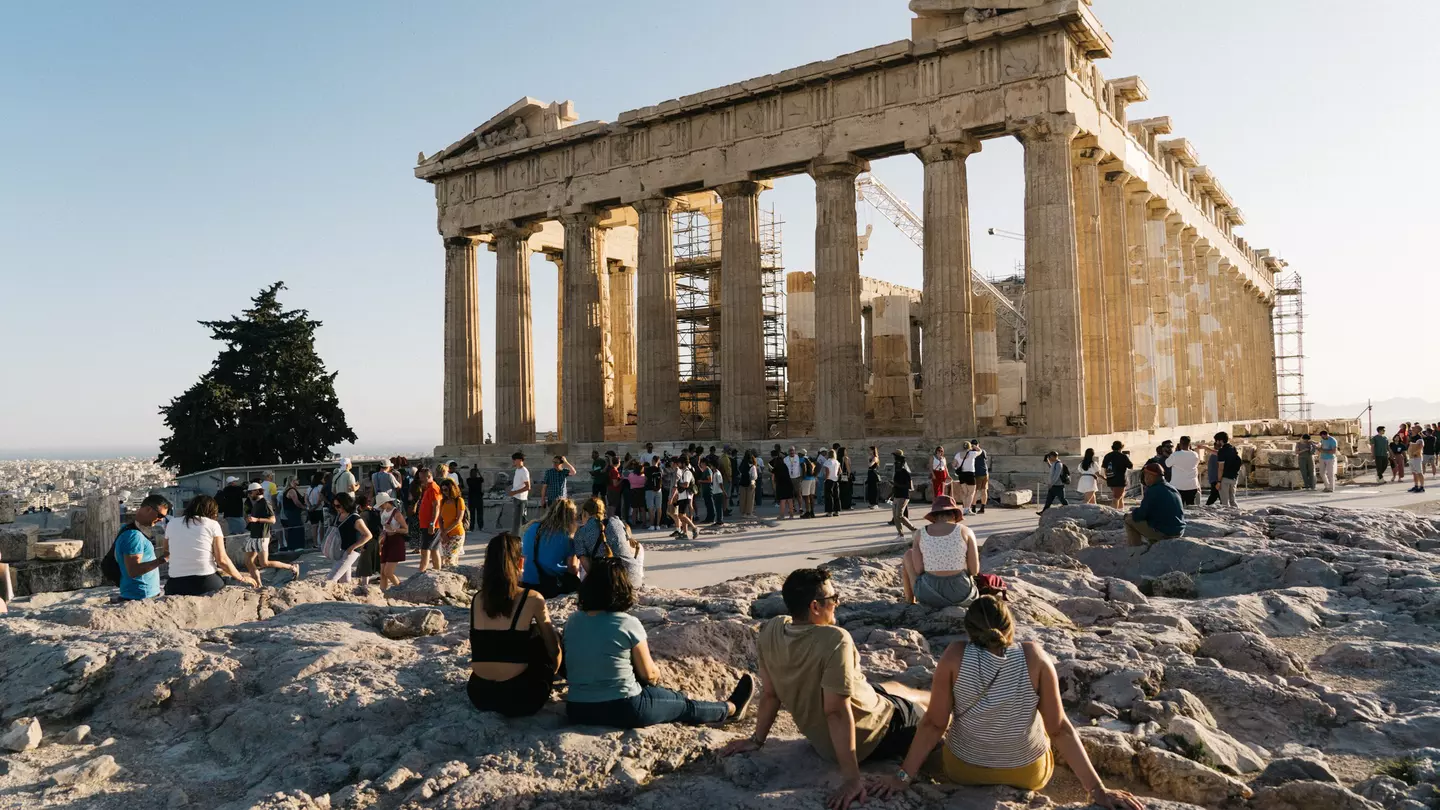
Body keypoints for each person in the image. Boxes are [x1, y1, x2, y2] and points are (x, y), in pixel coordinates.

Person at [871, 597, 1142, 810]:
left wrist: (902, 778)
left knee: (934, 721)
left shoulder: (954, 655)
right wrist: (1097, 790)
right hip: (1028, 775)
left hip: (965, 771)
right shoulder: (1033, 656)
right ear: (1010, 626)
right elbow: (1059, 728)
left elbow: (934, 724)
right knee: (1041, 729)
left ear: (969, 631)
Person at [718, 568, 926, 810]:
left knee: (893, 687)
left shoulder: (772, 629)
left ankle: (929, 695)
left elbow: (771, 693)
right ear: (815, 607)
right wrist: (851, 779)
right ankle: (940, 699)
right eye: (833, 599)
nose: (837, 603)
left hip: (827, 740)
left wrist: (757, 740)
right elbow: (836, 712)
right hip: (874, 735)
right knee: (928, 714)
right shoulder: (835, 639)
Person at [566, 557, 753, 729]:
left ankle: (674, 698)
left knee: (669, 698)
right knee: (684, 706)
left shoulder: (573, 621)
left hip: (577, 710)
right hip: (624, 708)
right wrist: (658, 677)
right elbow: (649, 675)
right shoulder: (626, 623)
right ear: (622, 589)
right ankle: (730, 708)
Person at [468, 532, 563, 717]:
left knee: (528, 633)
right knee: (545, 634)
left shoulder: (477, 599)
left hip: (479, 694)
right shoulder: (532, 598)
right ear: (520, 562)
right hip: (519, 697)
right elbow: (554, 650)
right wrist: (553, 670)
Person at [164, 494, 256, 595]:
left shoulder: (172, 523)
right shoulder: (212, 524)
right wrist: (241, 578)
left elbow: (166, 551)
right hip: (205, 581)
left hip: (176, 583)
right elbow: (221, 559)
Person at [901, 496, 979, 609]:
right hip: (961, 594)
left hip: (929, 594)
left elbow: (919, 570)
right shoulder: (966, 531)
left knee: (908, 554)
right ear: (954, 515)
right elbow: (974, 570)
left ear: (934, 516)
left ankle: (909, 601)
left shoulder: (920, 533)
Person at [574, 498, 644, 589]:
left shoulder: (581, 532)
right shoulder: (617, 521)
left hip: (609, 585)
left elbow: (588, 567)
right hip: (632, 580)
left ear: (585, 513)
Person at [114, 494, 172, 601]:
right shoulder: (133, 535)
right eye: (160, 515)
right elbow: (133, 570)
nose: (160, 519)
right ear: (148, 509)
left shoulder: (130, 531)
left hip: (141, 594)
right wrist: (164, 558)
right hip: (140, 597)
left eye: (163, 517)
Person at [520, 498, 580, 598]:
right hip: (546, 584)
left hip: (526, 580)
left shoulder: (532, 527)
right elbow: (573, 568)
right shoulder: (566, 537)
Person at [244, 482, 298, 586]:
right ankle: (258, 585)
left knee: (264, 563)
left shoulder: (265, 503)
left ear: (256, 491)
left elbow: (272, 520)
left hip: (262, 536)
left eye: (251, 492)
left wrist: (257, 519)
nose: (250, 495)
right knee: (248, 561)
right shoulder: (257, 503)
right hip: (254, 536)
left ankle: (292, 567)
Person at [1126, 462, 1186, 546]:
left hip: (1166, 533)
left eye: (1145, 476)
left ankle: (1135, 549)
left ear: (1150, 476)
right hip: (1179, 530)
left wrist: (1133, 513)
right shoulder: (1172, 487)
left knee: (1128, 520)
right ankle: (1152, 542)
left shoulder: (1152, 491)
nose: (1145, 479)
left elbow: (1141, 515)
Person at [326, 492, 372, 585]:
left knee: (330, 579)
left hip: (350, 552)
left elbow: (368, 535)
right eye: (334, 506)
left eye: (338, 506)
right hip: (340, 550)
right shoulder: (338, 515)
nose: (336, 508)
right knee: (345, 582)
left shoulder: (355, 518)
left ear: (345, 504)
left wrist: (353, 547)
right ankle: (347, 598)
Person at [376, 492, 408, 590]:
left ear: (386, 502)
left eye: (381, 504)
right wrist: (382, 534)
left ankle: (401, 589)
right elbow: (384, 527)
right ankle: (383, 593)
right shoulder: (383, 512)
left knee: (388, 572)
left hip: (396, 541)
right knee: (382, 573)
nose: (380, 507)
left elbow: (406, 529)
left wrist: (394, 529)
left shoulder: (397, 513)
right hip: (386, 541)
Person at [415, 467, 444, 574]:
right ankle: (438, 572)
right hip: (428, 524)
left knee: (425, 550)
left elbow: (436, 506)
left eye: (422, 478)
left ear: (429, 476)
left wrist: (432, 523)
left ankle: (420, 573)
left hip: (430, 525)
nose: (420, 480)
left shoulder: (433, 489)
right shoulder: (428, 488)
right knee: (433, 550)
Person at [439, 478, 468, 569]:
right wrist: (443, 533)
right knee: (446, 559)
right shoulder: (442, 501)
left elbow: (458, 520)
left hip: (456, 534)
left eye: (446, 490)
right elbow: (440, 519)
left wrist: (445, 532)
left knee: (450, 559)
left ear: (452, 489)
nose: (444, 492)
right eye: (442, 490)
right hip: (445, 534)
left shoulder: (459, 501)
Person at [1166, 436, 1201, 506]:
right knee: (1191, 506)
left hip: (1178, 486)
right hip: (1192, 485)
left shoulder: (1175, 455)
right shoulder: (1195, 454)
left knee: (1178, 506)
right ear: (1189, 444)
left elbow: (1167, 464)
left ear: (1180, 444)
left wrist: (1175, 452)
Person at [889, 451, 918, 536]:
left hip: (903, 496)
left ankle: (913, 529)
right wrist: (890, 495)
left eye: (897, 462)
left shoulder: (905, 473)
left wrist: (895, 484)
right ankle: (900, 534)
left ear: (901, 463)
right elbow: (895, 486)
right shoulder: (897, 473)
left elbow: (908, 486)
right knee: (896, 517)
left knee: (899, 515)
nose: (896, 464)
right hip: (896, 496)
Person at [670, 458, 699, 540]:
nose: (678, 465)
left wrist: (678, 484)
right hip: (682, 496)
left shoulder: (687, 472)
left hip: (685, 496)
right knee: (682, 515)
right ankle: (685, 533)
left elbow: (686, 484)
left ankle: (694, 528)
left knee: (681, 515)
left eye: (679, 463)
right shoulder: (683, 472)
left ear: (683, 463)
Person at [1102, 441, 1133, 510]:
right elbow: (1130, 466)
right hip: (1120, 480)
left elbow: (1104, 467)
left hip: (1110, 479)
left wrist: (1107, 477)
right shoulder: (1123, 456)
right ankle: (1113, 513)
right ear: (1121, 447)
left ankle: (1121, 511)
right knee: (1116, 497)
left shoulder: (1107, 455)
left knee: (1120, 497)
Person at [1214, 432, 1241, 507]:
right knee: (1232, 501)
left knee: (1224, 503)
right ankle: (1237, 515)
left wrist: (1218, 482)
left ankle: (1227, 518)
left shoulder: (1222, 451)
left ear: (1220, 441)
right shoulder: (1233, 448)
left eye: (1217, 441)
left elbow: (1220, 468)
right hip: (1234, 478)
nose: (1216, 443)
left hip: (1225, 479)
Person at [507, 452, 532, 535]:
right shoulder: (517, 470)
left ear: (520, 460)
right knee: (516, 520)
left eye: (515, 459)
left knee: (522, 519)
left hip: (522, 499)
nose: (513, 461)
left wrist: (514, 492)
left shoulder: (524, 471)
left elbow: (528, 487)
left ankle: (527, 535)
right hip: (516, 498)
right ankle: (515, 536)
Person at [281, 477, 306, 551]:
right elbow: (296, 502)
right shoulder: (291, 490)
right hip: (292, 511)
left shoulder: (292, 490)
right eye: (296, 479)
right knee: (297, 528)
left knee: (293, 528)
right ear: (292, 481)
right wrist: (304, 507)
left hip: (292, 512)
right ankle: (296, 546)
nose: (298, 481)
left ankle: (293, 546)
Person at [772, 449, 796, 520]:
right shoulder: (785, 466)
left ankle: (782, 515)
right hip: (788, 483)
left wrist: (774, 485)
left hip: (781, 484)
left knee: (782, 500)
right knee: (790, 500)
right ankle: (791, 515)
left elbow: (773, 477)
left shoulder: (776, 468)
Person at [305, 473, 326, 547]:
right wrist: (316, 506)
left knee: (314, 526)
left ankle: (315, 543)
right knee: (321, 526)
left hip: (310, 510)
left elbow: (306, 498)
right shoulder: (321, 487)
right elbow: (320, 498)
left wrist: (310, 506)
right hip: (319, 508)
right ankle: (322, 542)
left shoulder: (309, 488)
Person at [821, 450, 842, 518]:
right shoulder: (837, 462)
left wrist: (825, 479)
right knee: (836, 496)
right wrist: (837, 476)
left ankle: (829, 512)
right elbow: (840, 471)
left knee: (829, 496)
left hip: (829, 480)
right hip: (835, 480)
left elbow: (827, 471)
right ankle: (837, 511)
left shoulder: (827, 462)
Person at [737, 450, 758, 518]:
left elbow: (740, 472)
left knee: (743, 499)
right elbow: (754, 476)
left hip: (742, 483)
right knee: (750, 499)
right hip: (750, 483)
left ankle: (743, 513)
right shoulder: (752, 466)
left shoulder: (742, 464)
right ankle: (749, 513)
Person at [465, 465, 486, 531]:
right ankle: (471, 527)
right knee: (472, 515)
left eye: (475, 473)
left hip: (479, 498)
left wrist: (478, 471)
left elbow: (482, 479)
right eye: (472, 473)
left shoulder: (479, 479)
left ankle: (481, 526)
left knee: (480, 514)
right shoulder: (469, 480)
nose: (474, 474)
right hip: (472, 498)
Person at [799, 450, 818, 518]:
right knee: (811, 496)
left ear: (800, 454)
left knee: (806, 496)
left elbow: (803, 466)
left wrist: (802, 477)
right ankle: (812, 512)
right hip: (812, 478)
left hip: (806, 479)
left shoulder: (801, 459)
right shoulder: (809, 458)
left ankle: (807, 512)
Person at [835, 444, 854, 511]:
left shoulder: (837, 458)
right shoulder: (845, 458)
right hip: (845, 476)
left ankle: (842, 505)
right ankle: (847, 505)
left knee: (841, 491)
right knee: (847, 492)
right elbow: (848, 468)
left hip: (840, 477)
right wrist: (849, 475)